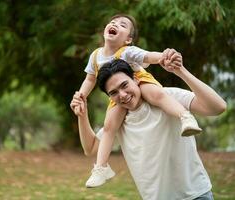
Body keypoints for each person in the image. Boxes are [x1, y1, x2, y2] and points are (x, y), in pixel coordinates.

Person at [70, 52, 226, 200]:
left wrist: (181, 72)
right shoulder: (118, 122)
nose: (122, 95)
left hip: (196, 194)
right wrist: (82, 116)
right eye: (114, 92)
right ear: (110, 97)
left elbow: (217, 107)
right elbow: (91, 149)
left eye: (125, 85)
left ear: (136, 80)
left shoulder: (168, 97)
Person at [72, 13, 201, 187]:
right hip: (117, 94)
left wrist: (164, 56)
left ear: (128, 39)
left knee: (158, 95)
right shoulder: (95, 56)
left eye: (123, 25)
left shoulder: (128, 51)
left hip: (139, 82)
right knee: (109, 125)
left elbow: (149, 56)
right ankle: (101, 168)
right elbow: (90, 79)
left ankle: (185, 116)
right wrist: (81, 95)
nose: (115, 24)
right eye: (112, 22)